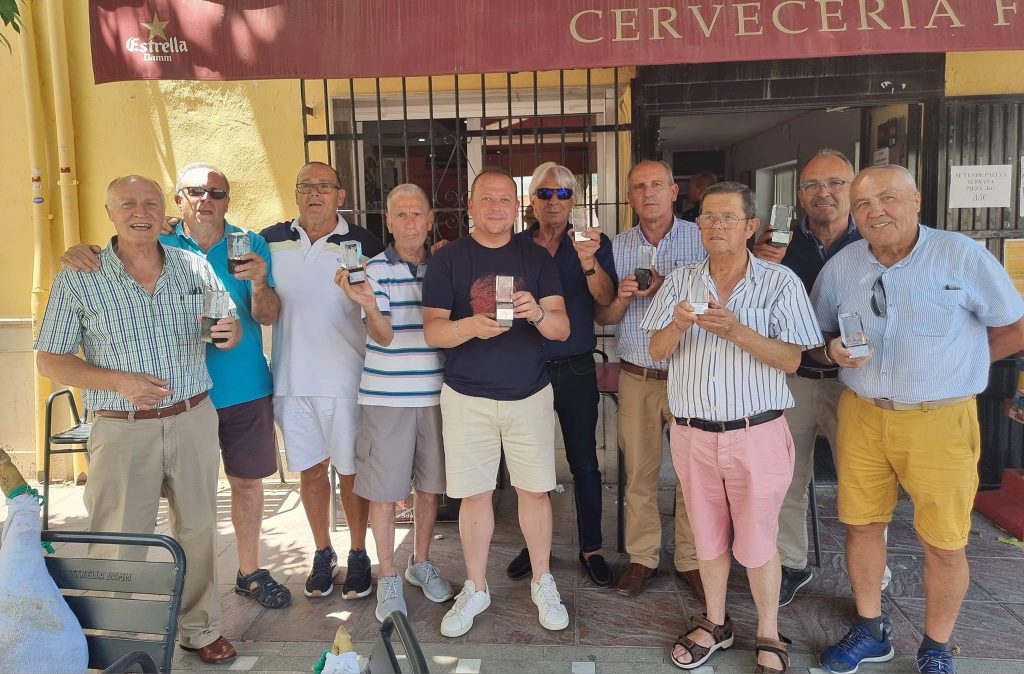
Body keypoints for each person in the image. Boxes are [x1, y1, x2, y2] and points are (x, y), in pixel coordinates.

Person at [811, 165, 1024, 674]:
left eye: (887, 198)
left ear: (916, 200)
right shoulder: (842, 266)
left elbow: (1014, 328)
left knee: (944, 541)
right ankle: (870, 629)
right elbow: (816, 337)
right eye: (863, 204)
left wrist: (961, 364)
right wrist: (831, 352)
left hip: (940, 419)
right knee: (861, 525)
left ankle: (935, 647)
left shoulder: (962, 255)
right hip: (863, 414)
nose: (875, 211)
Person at [59, 163, 290, 611]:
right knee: (154, 509)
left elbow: (266, 316)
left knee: (241, 488)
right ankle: (128, 613)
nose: (207, 199)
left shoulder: (248, 244)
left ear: (228, 200)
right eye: (196, 191)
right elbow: (116, 252)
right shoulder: (159, 241)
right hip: (168, 395)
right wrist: (78, 251)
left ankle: (248, 573)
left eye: (217, 192)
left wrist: (260, 281)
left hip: (240, 387)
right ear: (179, 199)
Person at [35, 175, 241, 664]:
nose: (139, 212)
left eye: (150, 202)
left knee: (198, 531)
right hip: (122, 424)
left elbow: (226, 326)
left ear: (164, 210)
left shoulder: (192, 267)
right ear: (110, 212)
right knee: (119, 537)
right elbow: (49, 359)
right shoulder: (81, 275)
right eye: (127, 203)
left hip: (192, 416)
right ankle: (116, 636)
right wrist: (117, 381)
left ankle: (200, 629)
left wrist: (229, 332)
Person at [644, 181, 822, 672]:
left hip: (756, 433)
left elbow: (792, 360)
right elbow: (656, 351)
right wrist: (678, 325)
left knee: (759, 540)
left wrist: (737, 331)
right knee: (706, 537)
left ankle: (768, 632)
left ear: (750, 226)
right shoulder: (680, 281)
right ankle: (716, 622)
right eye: (707, 217)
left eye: (727, 218)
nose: (715, 226)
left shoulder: (779, 282)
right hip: (692, 434)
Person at [422, 167, 571, 637]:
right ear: (470, 205)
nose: (496, 207)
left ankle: (542, 581)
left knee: (535, 491)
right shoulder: (449, 260)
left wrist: (538, 311)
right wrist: (469, 327)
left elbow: (561, 328)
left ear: (517, 207)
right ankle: (476, 586)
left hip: (529, 394)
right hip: (467, 396)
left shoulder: (537, 257)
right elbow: (433, 331)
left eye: (505, 199)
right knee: (474, 495)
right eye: (486, 198)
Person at [261, 161, 384, 600]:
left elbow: (383, 302)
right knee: (311, 472)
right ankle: (322, 551)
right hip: (291, 380)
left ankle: (358, 554)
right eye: (306, 186)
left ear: (340, 195)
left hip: (346, 380)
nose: (314, 194)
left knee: (350, 472)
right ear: (296, 193)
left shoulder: (366, 243)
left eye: (324, 186)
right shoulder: (268, 241)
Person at [752, 149, 867, 606]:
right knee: (785, 478)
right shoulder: (777, 242)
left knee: (863, 482)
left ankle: (870, 576)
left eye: (836, 182)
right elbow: (752, 308)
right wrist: (759, 264)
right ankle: (790, 563)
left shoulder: (871, 239)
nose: (824, 192)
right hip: (794, 375)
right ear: (799, 195)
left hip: (856, 381)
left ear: (853, 188)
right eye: (812, 185)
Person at [335, 183, 454, 622]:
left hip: (438, 395)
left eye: (417, 213)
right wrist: (369, 306)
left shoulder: (444, 267)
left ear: (430, 218)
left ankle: (420, 562)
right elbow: (383, 336)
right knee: (384, 492)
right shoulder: (372, 270)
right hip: (386, 399)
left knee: (430, 486)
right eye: (400, 215)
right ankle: (388, 574)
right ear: (388, 222)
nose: (409, 223)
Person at [595, 159, 706, 599]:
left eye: (657, 184)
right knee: (639, 474)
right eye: (639, 187)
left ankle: (692, 560)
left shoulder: (702, 238)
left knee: (692, 475)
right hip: (637, 376)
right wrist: (622, 299)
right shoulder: (616, 246)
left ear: (674, 191)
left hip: (690, 375)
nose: (649, 193)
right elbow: (603, 316)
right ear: (630, 197)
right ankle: (642, 557)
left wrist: (667, 288)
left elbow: (719, 298)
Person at [504, 162, 617, 588]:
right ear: (531, 200)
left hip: (575, 366)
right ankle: (536, 547)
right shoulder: (514, 246)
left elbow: (604, 301)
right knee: (530, 466)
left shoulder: (591, 243)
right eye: (545, 193)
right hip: (525, 367)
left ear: (574, 200)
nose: (554, 201)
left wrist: (589, 262)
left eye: (564, 193)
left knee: (584, 462)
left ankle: (591, 547)